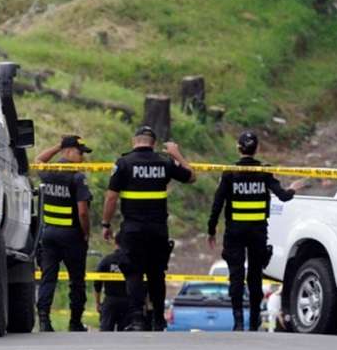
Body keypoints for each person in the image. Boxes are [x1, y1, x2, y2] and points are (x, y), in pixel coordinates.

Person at [101, 125, 195, 331]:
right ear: (153, 143)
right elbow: (191, 176)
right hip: (158, 230)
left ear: (134, 141)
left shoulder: (123, 163)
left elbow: (111, 197)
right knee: (156, 274)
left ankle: (136, 319)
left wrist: (106, 224)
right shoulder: (165, 162)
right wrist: (176, 154)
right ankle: (159, 319)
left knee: (133, 273)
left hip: (133, 230)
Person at [207, 131, 300, 331]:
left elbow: (218, 203)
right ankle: (254, 320)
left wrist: (211, 229)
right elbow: (283, 196)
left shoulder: (229, 172)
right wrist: (292, 188)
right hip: (257, 232)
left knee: (236, 276)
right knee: (255, 277)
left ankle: (238, 321)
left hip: (235, 233)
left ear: (238, 148)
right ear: (257, 149)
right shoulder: (264, 172)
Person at [35, 135, 93, 332]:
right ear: (68, 152)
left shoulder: (49, 171)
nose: (82, 158)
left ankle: (44, 321)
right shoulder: (77, 177)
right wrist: (86, 233)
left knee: (47, 278)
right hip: (72, 236)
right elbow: (83, 211)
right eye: (79, 153)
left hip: (49, 235)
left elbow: (38, 161)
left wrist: (57, 145)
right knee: (76, 281)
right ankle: (75, 322)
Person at [94, 234, 130, 331]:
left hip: (110, 301)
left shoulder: (107, 260)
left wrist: (97, 303)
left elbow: (97, 282)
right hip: (128, 302)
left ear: (115, 243)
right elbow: (141, 283)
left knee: (105, 333)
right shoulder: (132, 260)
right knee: (126, 335)